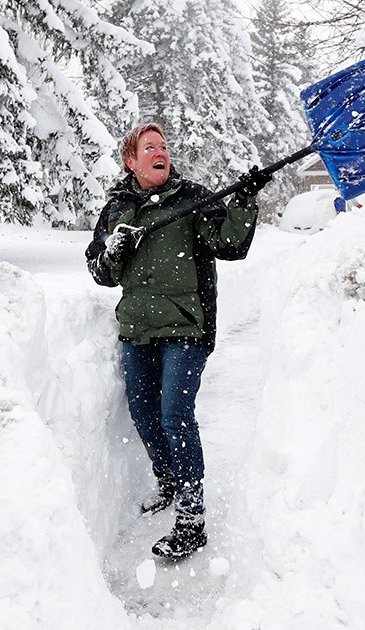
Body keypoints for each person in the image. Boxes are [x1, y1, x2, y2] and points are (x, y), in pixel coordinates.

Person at [85, 122, 271, 559]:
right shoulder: (117, 209)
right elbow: (99, 272)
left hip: (187, 327)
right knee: (143, 413)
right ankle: (169, 478)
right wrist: (113, 251)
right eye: (150, 147)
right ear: (131, 161)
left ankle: (191, 518)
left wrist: (243, 199)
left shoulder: (191, 199)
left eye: (164, 146)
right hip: (138, 328)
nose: (160, 152)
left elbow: (229, 244)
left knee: (174, 414)